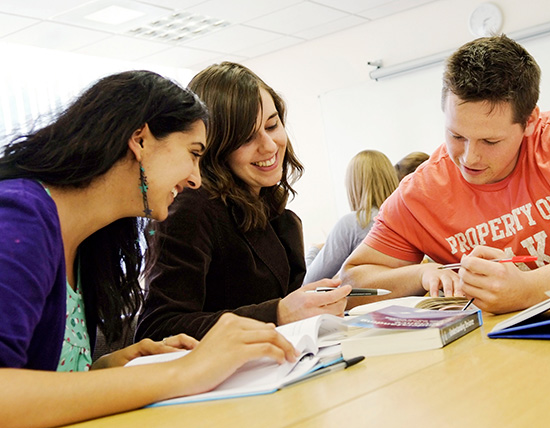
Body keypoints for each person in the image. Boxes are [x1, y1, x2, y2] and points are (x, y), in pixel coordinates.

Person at [0, 70, 297, 428]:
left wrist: (104, 368)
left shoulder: (87, 245)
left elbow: (41, 374)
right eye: (193, 153)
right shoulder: (20, 217)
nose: (195, 179)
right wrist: (183, 372)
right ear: (140, 140)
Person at [341, 34, 550, 314]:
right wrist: (420, 274)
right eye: (456, 136)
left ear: (530, 121)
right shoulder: (421, 190)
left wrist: (529, 289)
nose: (469, 158)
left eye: (490, 141)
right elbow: (353, 284)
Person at [135, 62, 350, 342]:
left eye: (272, 125)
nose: (270, 146)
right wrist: (277, 314)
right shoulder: (191, 208)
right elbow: (157, 328)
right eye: (247, 137)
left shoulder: (276, 213)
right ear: (213, 145)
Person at [303, 150, 398, 284]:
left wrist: (313, 250)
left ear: (354, 186)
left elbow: (309, 283)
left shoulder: (352, 224)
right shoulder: (403, 221)